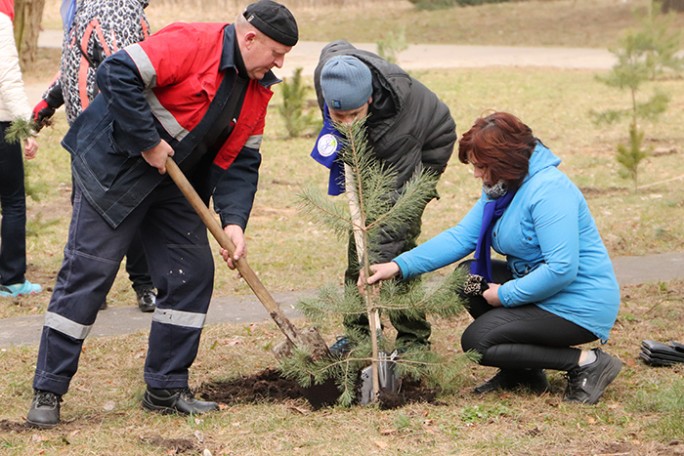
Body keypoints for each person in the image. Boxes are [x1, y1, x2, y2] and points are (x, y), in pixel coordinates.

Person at [26, 0, 298, 428]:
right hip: (114, 169)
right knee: (89, 275)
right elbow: (114, 72)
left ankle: (166, 386)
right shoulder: (191, 42)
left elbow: (242, 162)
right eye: (276, 52)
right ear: (250, 39)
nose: (280, 63)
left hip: (174, 184)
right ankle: (49, 387)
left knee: (191, 273)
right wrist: (148, 141)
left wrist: (234, 223)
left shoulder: (257, 90)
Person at [363, 112, 623, 405]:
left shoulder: (549, 191)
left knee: (478, 343)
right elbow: (463, 237)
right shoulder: (502, 188)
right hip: (539, 289)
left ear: (506, 161)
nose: (476, 174)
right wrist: (399, 265)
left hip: (576, 304)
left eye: (482, 166)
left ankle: (587, 362)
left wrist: (507, 294)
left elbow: (561, 268)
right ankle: (523, 371)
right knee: (468, 280)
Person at [311, 41, 456, 353]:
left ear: (371, 99)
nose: (346, 123)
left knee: (394, 248)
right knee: (358, 246)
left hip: (423, 152)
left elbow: (394, 206)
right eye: (338, 115)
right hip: (378, 143)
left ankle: (413, 342)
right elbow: (335, 49)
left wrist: (375, 263)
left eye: (354, 114)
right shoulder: (331, 73)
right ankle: (359, 338)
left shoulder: (399, 126)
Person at [32, 0, 157, 312]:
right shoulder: (96, 9)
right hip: (97, 135)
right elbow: (80, 68)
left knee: (127, 210)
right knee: (90, 214)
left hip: (112, 133)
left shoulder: (105, 8)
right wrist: (44, 107)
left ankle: (142, 284)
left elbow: (123, 70)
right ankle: (93, 291)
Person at [0, 0, 42, 298]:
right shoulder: (0, 22)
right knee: (13, 201)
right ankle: (12, 278)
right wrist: (25, 128)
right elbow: (9, 80)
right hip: (2, 125)